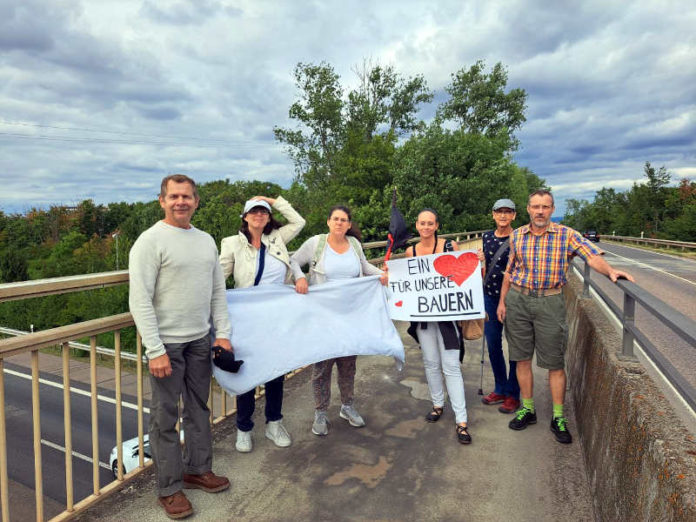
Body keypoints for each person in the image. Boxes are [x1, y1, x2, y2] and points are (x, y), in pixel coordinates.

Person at [129, 174, 231, 520]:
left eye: (186, 196)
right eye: (173, 197)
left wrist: (222, 333)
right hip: (167, 346)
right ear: (162, 201)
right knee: (164, 418)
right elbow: (139, 298)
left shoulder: (205, 241)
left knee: (199, 410)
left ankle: (198, 469)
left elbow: (217, 290)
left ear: (196, 201)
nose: (180, 202)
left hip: (200, 340)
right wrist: (154, 348)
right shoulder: (150, 241)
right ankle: (170, 489)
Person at [497, 189, 634, 444]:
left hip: (550, 301)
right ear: (528, 209)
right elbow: (510, 270)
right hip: (517, 300)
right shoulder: (517, 236)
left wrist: (611, 271)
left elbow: (591, 257)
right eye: (535, 206)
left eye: (545, 207)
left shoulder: (566, 235)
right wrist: (503, 302)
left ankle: (558, 417)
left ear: (552, 209)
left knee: (555, 362)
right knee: (521, 358)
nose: (540, 211)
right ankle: (528, 409)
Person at [219, 195, 305, 453]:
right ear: (245, 217)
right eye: (254, 212)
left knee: (275, 371)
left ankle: (274, 423)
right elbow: (218, 277)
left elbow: (299, 221)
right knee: (247, 372)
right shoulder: (232, 243)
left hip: (275, 315)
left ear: (268, 217)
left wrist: (272, 199)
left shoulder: (276, 238)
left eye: (263, 212)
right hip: (246, 316)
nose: (259, 216)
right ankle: (243, 428)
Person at [290, 205, 387, 436]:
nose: (339, 223)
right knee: (322, 367)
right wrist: (300, 277)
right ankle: (321, 411)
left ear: (349, 224)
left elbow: (363, 266)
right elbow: (294, 260)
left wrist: (381, 275)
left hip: (350, 315)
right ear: (328, 222)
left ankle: (347, 406)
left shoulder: (354, 245)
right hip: (323, 316)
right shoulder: (317, 243)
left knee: (348, 365)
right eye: (335, 219)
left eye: (344, 220)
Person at [405, 209, 472, 444]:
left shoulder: (449, 247)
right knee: (431, 363)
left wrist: (477, 262)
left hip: (447, 318)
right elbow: (408, 282)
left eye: (430, 223)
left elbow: (465, 275)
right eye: (422, 223)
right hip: (424, 318)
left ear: (436, 225)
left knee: (451, 366)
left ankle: (461, 420)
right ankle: (437, 404)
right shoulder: (410, 252)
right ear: (417, 225)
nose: (425, 227)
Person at [480, 199, 521, 414]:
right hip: (489, 297)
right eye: (499, 212)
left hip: (513, 299)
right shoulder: (486, 237)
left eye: (508, 212)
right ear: (493, 215)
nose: (503, 216)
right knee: (493, 346)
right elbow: (484, 269)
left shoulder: (519, 237)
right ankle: (500, 388)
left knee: (515, 347)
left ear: (514, 215)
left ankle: (513, 394)